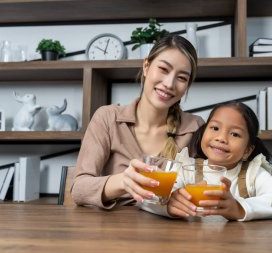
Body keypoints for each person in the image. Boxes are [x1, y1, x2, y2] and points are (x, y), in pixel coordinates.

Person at [71, 35, 205, 209]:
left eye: (182, 78)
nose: (169, 83)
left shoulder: (195, 128)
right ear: (146, 66)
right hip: (112, 231)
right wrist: (122, 182)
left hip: (172, 232)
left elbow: (205, 186)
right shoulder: (108, 118)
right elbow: (78, 189)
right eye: (164, 69)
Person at [167, 102, 272, 221]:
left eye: (234, 134)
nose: (221, 138)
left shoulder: (253, 174)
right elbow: (158, 197)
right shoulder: (187, 169)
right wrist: (172, 202)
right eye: (215, 128)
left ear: (247, 150)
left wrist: (240, 208)